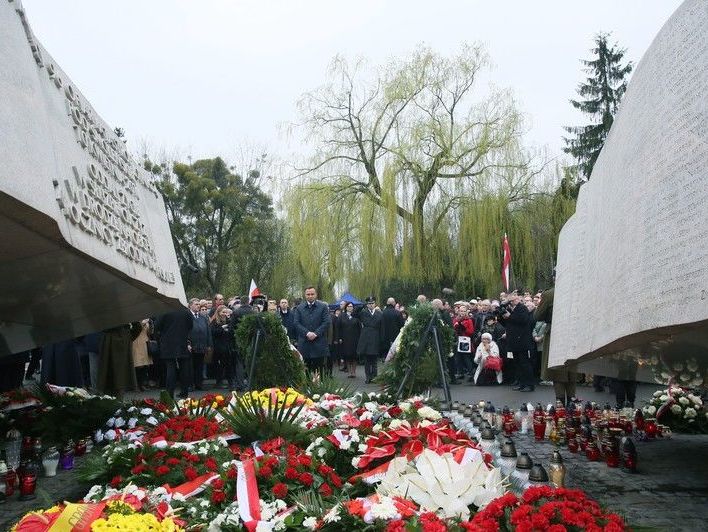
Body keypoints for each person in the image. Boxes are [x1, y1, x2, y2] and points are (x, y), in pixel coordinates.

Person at [535, 284, 578, 404]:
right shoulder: (577, 289)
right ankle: (572, 403)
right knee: (572, 369)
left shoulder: (549, 294)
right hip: (574, 332)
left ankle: (560, 405)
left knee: (557, 370)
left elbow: (537, 315)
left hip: (555, 333)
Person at [155, 306, 193, 398]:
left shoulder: (164, 310)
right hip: (182, 342)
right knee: (184, 369)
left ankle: (169, 394)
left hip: (168, 343)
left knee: (170, 369)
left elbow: (157, 326)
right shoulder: (186, 311)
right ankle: (184, 392)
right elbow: (190, 326)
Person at [97, 322, 141, 400]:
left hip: (108, 339)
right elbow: (137, 326)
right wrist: (129, 337)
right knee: (121, 378)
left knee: (107, 375)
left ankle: (110, 402)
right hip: (123, 337)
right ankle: (117, 403)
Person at [501, 292, 534, 392]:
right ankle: (522, 383)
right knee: (517, 363)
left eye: (514, 297)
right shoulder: (511, 309)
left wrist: (510, 316)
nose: (512, 300)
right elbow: (506, 322)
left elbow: (523, 320)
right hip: (514, 341)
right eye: (511, 298)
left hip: (522, 341)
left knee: (525, 363)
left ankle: (529, 384)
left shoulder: (522, 308)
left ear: (518, 298)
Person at [293, 287, 331, 375]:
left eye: (312, 294)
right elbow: (296, 323)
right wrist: (307, 333)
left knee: (319, 372)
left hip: (319, 344)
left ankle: (319, 388)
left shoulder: (323, 307)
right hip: (304, 345)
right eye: (308, 294)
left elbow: (326, 322)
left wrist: (316, 333)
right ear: (305, 295)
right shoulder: (299, 308)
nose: (310, 296)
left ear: (316, 295)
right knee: (305, 371)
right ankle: (306, 388)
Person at [188, 297, 213, 391]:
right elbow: (185, 331)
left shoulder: (203, 317)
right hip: (191, 346)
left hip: (202, 345)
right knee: (190, 366)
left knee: (200, 366)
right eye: (196, 304)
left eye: (199, 304)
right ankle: (190, 384)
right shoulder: (187, 317)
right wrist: (187, 343)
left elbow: (208, 331)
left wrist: (209, 344)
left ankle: (199, 384)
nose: (198, 306)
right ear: (190, 305)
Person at [357, 296, 383, 383]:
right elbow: (354, 313)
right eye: (369, 303)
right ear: (367, 304)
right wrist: (362, 305)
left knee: (374, 361)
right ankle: (368, 377)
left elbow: (382, 327)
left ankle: (375, 377)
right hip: (366, 338)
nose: (371, 305)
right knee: (367, 360)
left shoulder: (380, 313)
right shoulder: (363, 313)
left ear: (375, 304)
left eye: (372, 303)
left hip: (375, 337)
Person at [211, 304, 235, 389]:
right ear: (218, 312)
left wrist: (227, 329)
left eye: (226, 312)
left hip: (227, 346)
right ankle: (219, 382)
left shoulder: (229, 320)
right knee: (219, 366)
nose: (224, 313)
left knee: (228, 365)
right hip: (218, 347)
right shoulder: (214, 322)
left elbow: (232, 331)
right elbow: (213, 332)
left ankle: (230, 382)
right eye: (223, 312)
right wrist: (222, 328)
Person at [453, 302, 475, 382]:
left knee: (466, 357)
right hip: (458, 339)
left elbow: (471, 331)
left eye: (464, 311)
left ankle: (470, 373)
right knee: (458, 357)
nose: (462, 312)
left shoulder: (469, 320)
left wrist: (463, 328)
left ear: (466, 312)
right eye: (461, 311)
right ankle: (460, 373)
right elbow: (453, 328)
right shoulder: (456, 319)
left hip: (465, 340)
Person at [338, 302, 360, 378]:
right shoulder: (342, 316)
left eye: (351, 306)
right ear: (346, 307)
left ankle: (353, 371)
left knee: (354, 356)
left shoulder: (356, 316)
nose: (350, 308)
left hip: (355, 339)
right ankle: (349, 371)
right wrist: (339, 338)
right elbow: (339, 328)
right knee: (347, 355)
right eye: (349, 306)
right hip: (345, 338)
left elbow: (359, 328)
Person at [132, 318, 152, 391]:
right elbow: (134, 330)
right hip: (136, 343)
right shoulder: (135, 320)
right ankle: (136, 385)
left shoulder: (147, 320)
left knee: (145, 365)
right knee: (138, 365)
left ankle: (143, 384)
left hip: (145, 343)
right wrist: (143, 323)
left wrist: (151, 324)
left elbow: (150, 332)